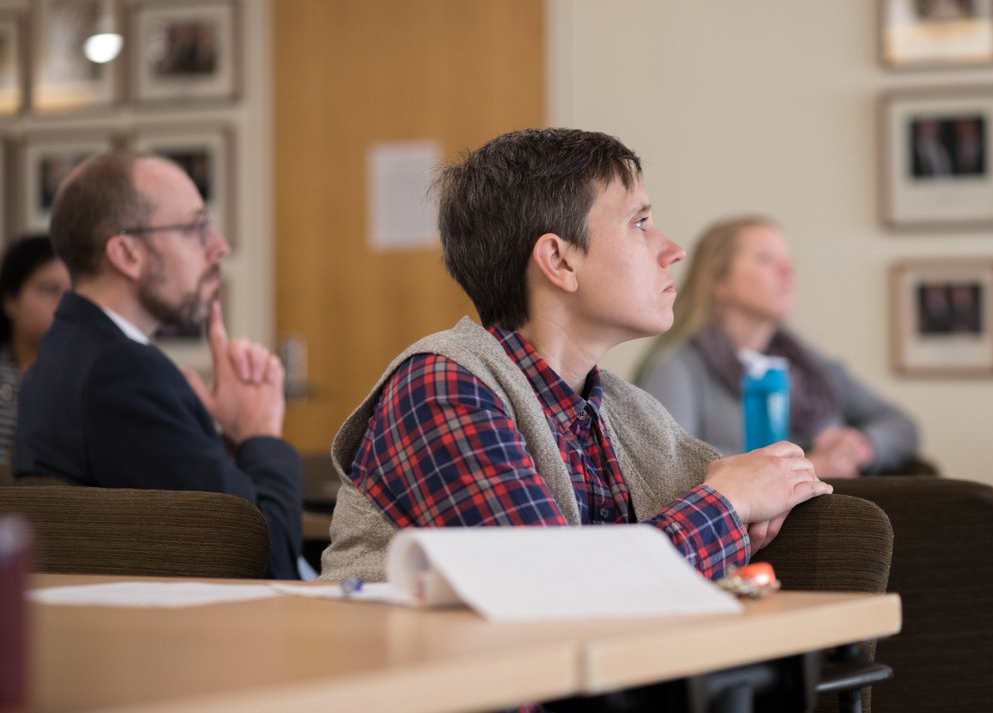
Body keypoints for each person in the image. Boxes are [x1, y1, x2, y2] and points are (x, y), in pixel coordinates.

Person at [320, 129, 831, 582]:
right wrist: (728, 502)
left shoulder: (632, 414)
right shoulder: (440, 384)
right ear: (559, 261)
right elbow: (554, 588)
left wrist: (770, 483)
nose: (673, 248)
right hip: (429, 686)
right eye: (640, 222)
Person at [13, 152, 303, 579]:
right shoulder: (124, 374)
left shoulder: (67, 351)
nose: (219, 245)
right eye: (195, 227)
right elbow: (265, 556)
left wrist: (221, 439)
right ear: (128, 253)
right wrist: (260, 432)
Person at [636, 216, 921, 479]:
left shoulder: (806, 361)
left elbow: (902, 425)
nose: (788, 270)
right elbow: (671, 463)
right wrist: (807, 465)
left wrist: (862, 446)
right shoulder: (677, 365)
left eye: (788, 260)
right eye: (766, 259)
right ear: (719, 282)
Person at [0, 235, 70, 483]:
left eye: (72, 293)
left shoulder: (82, 378)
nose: (64, 303)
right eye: (50, 289)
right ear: (11, 300)